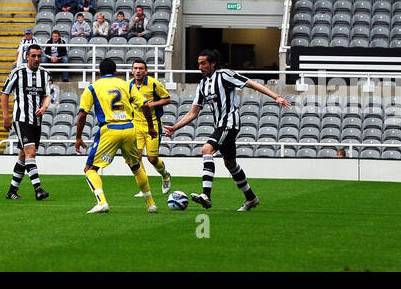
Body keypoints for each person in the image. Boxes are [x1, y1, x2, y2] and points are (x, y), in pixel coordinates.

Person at [164, 49, 291, 211]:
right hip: (221, 125)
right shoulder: (203, 85)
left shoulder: (224, 75)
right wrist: (175, 127)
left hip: (230, 123)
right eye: (198, 63)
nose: (200, 67)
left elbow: (251, 84)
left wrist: (276, 97)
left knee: (206, 149)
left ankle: (206, 195)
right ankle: (251, 198)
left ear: (213, 63)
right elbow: (193, 112)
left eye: (203, 63)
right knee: (230, 164)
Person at [74, 58, 158, 214]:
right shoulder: (127, 85)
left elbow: (82, 114)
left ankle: (102, 202)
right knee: (136, 166)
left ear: (99, 72)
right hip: (129, 128)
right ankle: (151, 204)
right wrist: (151, 127)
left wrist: (78, 137)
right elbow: (146, 105)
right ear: (115, 72)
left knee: (90, 168)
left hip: (110, 129)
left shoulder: (92, 87)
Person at [1, 44, 52, 201]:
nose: (37, 59)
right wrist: (6, 117)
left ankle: (12, 191)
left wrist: (44, 107)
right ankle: (38, 189)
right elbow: (5, 93)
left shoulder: (45, 74)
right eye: (33, 56)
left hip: (36, 120)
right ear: (27, 57)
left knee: (23, 155)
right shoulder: (18, 72)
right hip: (21, 118)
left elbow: (47, 95)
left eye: (39, 56)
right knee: (31, 152)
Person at [129, 58, 173, 196]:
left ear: (146, 71)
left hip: (152, 124)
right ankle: (144, 187)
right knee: (137, 157)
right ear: (132, 70)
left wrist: (151, 105)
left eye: (141, 68)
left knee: (152, 159)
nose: (138, 71)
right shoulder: (128, 85)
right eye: (135, 68)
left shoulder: (153, 83)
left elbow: (167, 98)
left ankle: (165, 175)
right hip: (135, 125)